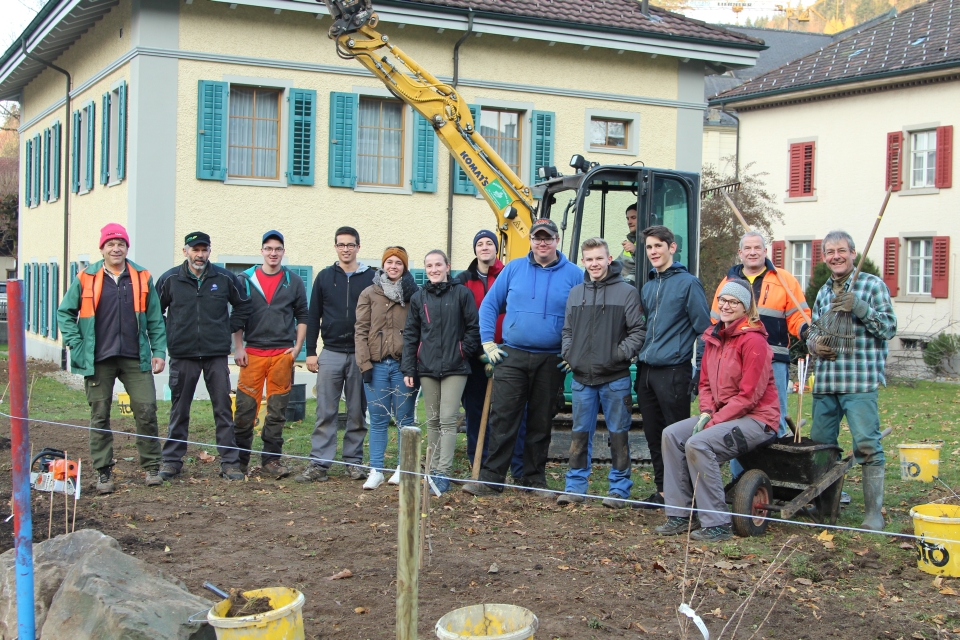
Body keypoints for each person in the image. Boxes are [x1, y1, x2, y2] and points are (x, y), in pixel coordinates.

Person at [462, 219, 582, 498]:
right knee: (503, 418)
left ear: (557, 240)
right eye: (537, 238)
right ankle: (491, 479)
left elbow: (584, 317)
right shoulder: (514, 268)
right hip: (512, 355)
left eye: (548, 238)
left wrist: (573, 352)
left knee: (540, 421)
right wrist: (488, 342)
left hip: (551, 359)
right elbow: (490, 305)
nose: (543, 243)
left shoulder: (575, 274)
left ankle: (532, 479)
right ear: (530, 240)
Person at [655, 279, 780, 542]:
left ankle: (717, 523)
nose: (726, 305)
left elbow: (749, 395)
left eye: (733, 302)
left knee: (699, 444)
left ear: (744, 308)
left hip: (756, 419)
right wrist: (707, 413)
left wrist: (714, 421)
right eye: (723, 300)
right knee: (671, 434)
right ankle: (681, 514)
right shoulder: (713, 337)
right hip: (722, 415)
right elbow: (705, 383)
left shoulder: (753, 341)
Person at [56, 223, 167, 494]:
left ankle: (152, 466)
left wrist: (159, 352)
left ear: (127, 247)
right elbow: (65, 313)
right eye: (110, 244)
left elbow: (155, 318)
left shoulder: (142, 276)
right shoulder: (85, 277)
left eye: (121, 244)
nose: (116, 248)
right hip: (98, 359)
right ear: (102, 248)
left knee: (146, 411)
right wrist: (76, 343)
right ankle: (104, 472)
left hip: (135, 356)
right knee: (99, 415)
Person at [807, 230, 897, 531]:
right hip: (826, 384)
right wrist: (813, 345)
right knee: (822, 449)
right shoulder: (822, 292)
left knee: (868, 446)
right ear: (824, 257)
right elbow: (812, 330)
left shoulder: (872, 286)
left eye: (841, 250)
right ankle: (824, 508)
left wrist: (859, 307)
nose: (836, 256)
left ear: (853, 253)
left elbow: (888, 328)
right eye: (830, 252)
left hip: (859, 382)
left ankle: (873, 513)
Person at [711, 231, 811, 479]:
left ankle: (772, 479)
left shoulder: (783, 280)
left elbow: (798, 315)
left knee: (771, 420)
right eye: (748, 248)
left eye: (758, 248)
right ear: (740, 253)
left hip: (774, 360)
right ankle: (741, 481)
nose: (753, 252)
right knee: (736, 418)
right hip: (735, 361)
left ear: (765, 252)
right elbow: (715, 322)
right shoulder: (728, 283)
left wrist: (807, 332)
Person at [557, 238, 645, 508]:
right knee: (580, 433)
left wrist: (618, 355)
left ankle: (619, 488)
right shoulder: (576, 293)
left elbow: (638, 331)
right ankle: (575, 486)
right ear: (583, 261)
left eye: (599, 258)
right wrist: (570, 354)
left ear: (609, 259)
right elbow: (568, 331)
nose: (594, 264)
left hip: (615, 378)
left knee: (618, 433)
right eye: (589, 259)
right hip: (583, 378)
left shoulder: (626, 292)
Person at [156, 232, 251, 482]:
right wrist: (170, 330)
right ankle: (172, 461)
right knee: (179, 410)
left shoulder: (225, 278)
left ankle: (230, 463)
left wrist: (227, 329)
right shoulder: (170, 279)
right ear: (185, 251)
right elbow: (155, 310)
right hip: (182, 354)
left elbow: (243, 305)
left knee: (222, 409)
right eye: (195, 250)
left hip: (216, 355)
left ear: (210, 251)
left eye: (204, 250)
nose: (200, 255)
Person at [634, 225, 711, 509]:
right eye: (649, 247)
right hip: (647, 372)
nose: (653, 251)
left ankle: (685, 496)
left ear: (672, 247)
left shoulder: (688, 284)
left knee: (676, 437)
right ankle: (663, 493)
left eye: (658, 246)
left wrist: (700, 372)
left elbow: (705, 331)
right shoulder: (648, 286)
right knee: (654, 435)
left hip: (674, 372)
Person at [298, 226, 376, 483]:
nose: (346, 249)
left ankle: (353, 462)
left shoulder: (372, 277)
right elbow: (312, 315)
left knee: (356, 410)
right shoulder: (324, 277)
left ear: (358, 247)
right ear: (335, 247)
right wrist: (311, 352)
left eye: (350, 244)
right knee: (325, 411)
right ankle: (320, 464)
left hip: (360, 354)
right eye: (341, 245)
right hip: (330, 352)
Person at [401, 249, 480, 493]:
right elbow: (412, 334)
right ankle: (432, 470)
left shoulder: (461, 294)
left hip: (456, 367)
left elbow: (473, 329)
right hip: (427, 367)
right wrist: (409, 367)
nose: (434, 269)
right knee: (433, 420)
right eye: (429, 266)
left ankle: (443, 472)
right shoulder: (419, 298)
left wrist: (461, 351)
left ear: (447, 266)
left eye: (438, 265)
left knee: (447, 420)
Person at [233, 230, 308, 479]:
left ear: (283, 252)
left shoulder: (293, 281)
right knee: (244, 409)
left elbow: (303, 315)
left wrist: (297, 348)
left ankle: (271, 461)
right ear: (262, 251)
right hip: (252, 354)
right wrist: (238, 347)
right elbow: (237, 316)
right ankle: (239, 461)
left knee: (277, 411)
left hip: (281, 355)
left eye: (278, 249)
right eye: (269, 249)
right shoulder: (245, 279)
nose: (273, 253)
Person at [455, 230, 526, 480]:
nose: (484, 247)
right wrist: (475, 349)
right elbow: (460, 318)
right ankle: (479, 462)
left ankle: (516, 465)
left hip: (506, 352)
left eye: (489, 243)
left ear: (496, 248)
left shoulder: (510, 274)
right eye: (480, 244)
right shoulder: (463, 280)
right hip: (475, 355)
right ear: (474, 249)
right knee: (474, 411)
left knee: (511, 410)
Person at [354, 246, 420, 490]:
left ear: (404, 267)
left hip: (403, 365)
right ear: (383, 265)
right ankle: (376, 470)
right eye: (389, 262)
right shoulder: (369, 293)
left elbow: (420, 331)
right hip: (377, 364)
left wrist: (412, 366)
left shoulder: (414, 293)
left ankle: (404, 467)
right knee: (379, 419)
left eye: (398, 263)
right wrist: (364, 363)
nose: (393, 266)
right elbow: (360, 330)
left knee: (405, 418)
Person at [614, 205, 639, 284]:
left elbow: (645, 267)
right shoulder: (632, 240)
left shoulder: (648, 240)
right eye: (627, 219)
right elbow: (618, 263)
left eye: (633, 218)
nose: (629, 222)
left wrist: (635, 250)